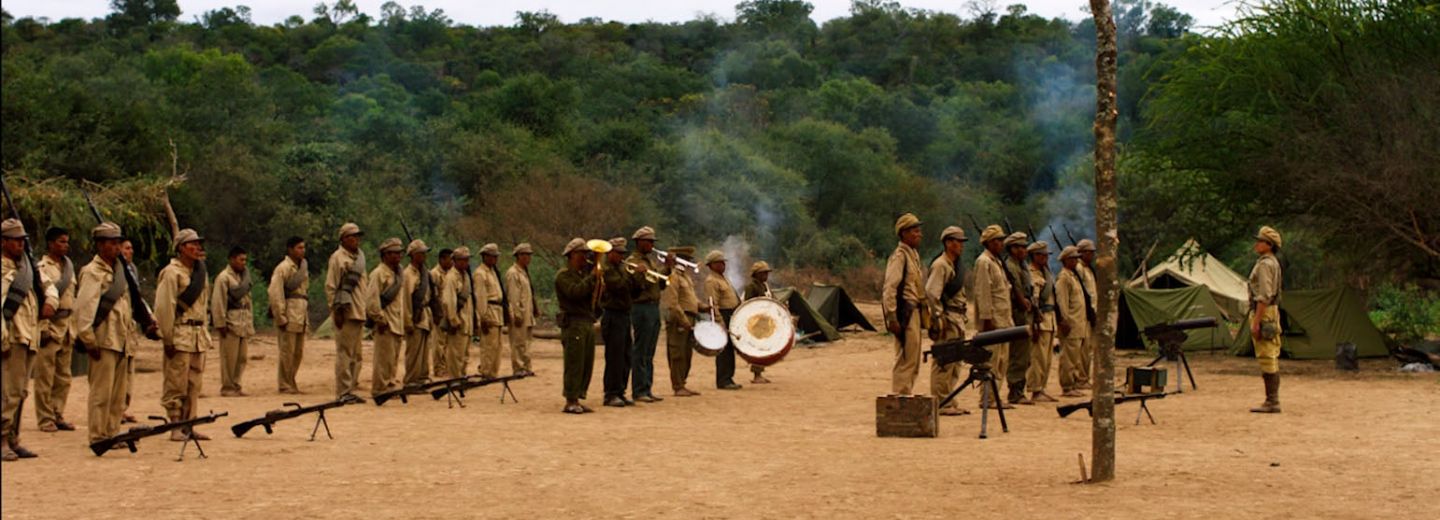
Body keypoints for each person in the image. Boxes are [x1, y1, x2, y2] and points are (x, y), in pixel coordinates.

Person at [74, 223, 136, 449]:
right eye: (112, 243)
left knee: (118, 394)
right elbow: (83, 311)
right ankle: (99, 436)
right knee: (101, 393)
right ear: (100, 245)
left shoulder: (120, 270)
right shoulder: (92, 272)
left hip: (121, 338)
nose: (117, 247)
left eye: (118, 242)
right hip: (103, 339)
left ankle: (112, 433)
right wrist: (89, 341)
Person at [2, 218, 56, 461]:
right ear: (3, 242)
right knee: (8, 393)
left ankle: (13, 438)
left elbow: (50, 287)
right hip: (10, 338)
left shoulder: (28, 267)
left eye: (22, 241)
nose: (20, 245)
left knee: (21, 392)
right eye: (15, 240)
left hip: (29, 336)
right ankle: (2, 439)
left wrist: (50, 302)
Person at [154, 228, 214, 440]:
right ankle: (175, 425)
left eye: (199, 244)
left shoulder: (199, 272)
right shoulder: (171, 273)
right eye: (192, 244)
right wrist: (167, 338)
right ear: (181, 248)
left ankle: (190, 423)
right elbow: (164, 308)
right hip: (180, 333)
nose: (197, 248)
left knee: (194, 383)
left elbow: (204, 305)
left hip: (197, 335)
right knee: (176, 382)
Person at [882, 213, 931, 395]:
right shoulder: (900, 256)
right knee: (905, 358)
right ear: (903, 233)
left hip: (915, 312)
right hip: (905, 312)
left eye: (919, 231)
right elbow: (890, 289)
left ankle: (906, 393)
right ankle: (900, 395)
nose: (919, 234)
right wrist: (892, 317)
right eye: (915, 231)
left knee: (913, 358)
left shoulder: (913, 255)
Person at [34, 227, 77, 432]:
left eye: (66, 241)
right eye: (61, 241)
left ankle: (58, 412)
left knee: (63, 376)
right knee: (45, 376)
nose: (65, 245)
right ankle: (45, 418)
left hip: (67, 326)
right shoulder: (41, 268)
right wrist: (42, 328)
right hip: (50, 325)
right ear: (50, 243)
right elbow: (40, 301)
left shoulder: (69, 267)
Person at [924, 226, 970, 416]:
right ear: (948, 243)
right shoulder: (941, 265)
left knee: (955, 363)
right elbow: (931, 293)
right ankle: (941, 401)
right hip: (948, 319)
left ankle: (949, 399)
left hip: (957, 318)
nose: (961, 246)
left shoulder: (954, 265)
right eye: (958, 241)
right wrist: (938, 317)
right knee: (944, 362)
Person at [325, 223, 369, 400]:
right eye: (352, 236)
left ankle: (350, 388)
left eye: (357, 236)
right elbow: (331, 286)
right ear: (343, 239)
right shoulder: (337, 258)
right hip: (346, 311)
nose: (356, 239)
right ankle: (343, 391)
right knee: (344, 353)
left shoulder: (359, 258)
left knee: (356, 355)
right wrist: (336, 311)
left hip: (358, 309)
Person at [971, 224, 1013, 409]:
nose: (1000, 244)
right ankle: (987, 398)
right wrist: (986, 318)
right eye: (997, 240)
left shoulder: (997, 262)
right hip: (993, 321)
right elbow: (983, 292)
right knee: (992, 361)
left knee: (1002, 361)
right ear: (988, 242)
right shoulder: (984, 262)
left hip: (1004, 320)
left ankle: (995, 397)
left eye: (1001, 240)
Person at [555, 238, 599, 414]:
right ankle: (570, 399)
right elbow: (575, 292)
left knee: (586, 362)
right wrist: (592, 278)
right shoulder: (563, 275)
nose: (585, 258)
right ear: (573, 254)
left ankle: (578, 397)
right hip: (573, 323)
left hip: (586, 321)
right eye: (583, 254)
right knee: (574, 362)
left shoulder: (582, 275)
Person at [600, 238, 644, 407]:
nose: (621, 256)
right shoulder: (607, 270)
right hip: (613, 316)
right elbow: (618, 287)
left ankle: (620, 391)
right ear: (610, 253)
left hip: (624, 316)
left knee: (626, 356)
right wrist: (635, 273)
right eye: (618, 253)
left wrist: (638, 277)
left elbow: (634, 291)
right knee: (614, 357)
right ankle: (610, 393)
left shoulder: (622, 269)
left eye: (623, 253)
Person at [628, 227, 667, 402]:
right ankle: (639, 390)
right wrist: (639, 273)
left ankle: (647, 387)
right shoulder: (633, 261)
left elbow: (660, 284)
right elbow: (635, 287)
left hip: (653, 307)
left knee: (649, 351)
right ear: (639, 242)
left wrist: (668, 268)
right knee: (641, 350)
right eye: (649, 241)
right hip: (641, 308)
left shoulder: (649, 262)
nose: (652, 245)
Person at [1248, 226, 1284, 414]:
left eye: (1260, 241)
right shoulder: (1272, 262)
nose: (1257, 244)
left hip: (1265, 311)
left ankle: (1272, 401)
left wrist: (1256, 321)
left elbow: (1264, 295)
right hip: (1271, 311)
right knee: (1269, 353)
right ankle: (1271, 399)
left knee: (1267, 354)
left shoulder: (1265, 264)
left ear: (1268, 245)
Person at [211, 246, 255, 397]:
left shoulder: (244, 278)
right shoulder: (223, 278)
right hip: (230, 321)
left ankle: (237, 384)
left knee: (241, 357)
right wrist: (220, 323)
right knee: (229, 358)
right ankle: (228, 387)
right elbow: (218, 301)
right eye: (241, 259)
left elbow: (248, 302)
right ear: (232, 259)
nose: (244, 263)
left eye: (245, 260)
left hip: (243, 320)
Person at [267, 236, 309, 394]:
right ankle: (284, 384)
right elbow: (275, 292)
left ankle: (291, 380)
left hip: (301, 313)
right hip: (289, 313)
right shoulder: (283, 268)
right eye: (299, 248)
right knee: (287, 351)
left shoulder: (303, 267)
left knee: (298, 353)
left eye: (303, 248)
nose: (302, 251)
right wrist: (280, 316)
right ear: (290, 249)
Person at [367, 238, 407, 394]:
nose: (398, 256)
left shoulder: (398, 274)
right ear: (385, 255)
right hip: (386, 322)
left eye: (399, 253)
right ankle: (379, 388)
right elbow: (372, 300)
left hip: (397, 322)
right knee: (383, 359)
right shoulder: (378, 274)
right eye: (394, 253)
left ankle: (390, 385)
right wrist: (380, 319)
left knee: (392, 359)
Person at [660, 246, 700, 397]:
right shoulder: (674, 276)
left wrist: (703, 306)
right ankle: (677, 386)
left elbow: (691, 299)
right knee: (677, 353)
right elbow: (673, 303)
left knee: (686, 353)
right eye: (688, 260)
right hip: (679, 320)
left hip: (689, 318)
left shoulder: (686, 277)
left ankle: (682, 383)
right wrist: (683, 320)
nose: (690, 263)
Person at [700, 250, 742, 390]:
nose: (722, 265)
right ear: (711, 265)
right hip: (722, 314)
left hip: (731, 314)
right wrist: (720, 322)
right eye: (719, 263)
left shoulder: (723, 278)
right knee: (724, 349)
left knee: (730, 348)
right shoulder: (711, 281)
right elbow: (713, 304)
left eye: (723, 262)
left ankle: (728, 377)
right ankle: (723, 380)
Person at [1002, 232, 1035, 405]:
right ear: (1012, 249)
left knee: (1025, 355)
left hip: (1025, 312)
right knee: (1018, 354)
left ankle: (1019, 389)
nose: (1024, 250)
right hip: (1016, 313)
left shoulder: (1022, 266)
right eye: (1020, 247)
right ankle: (1015, 391)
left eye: (1024, 247)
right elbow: (1014, 289)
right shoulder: (1011, 266)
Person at [1025, 241, 1059, 403]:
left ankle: (1041, 388)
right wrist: (1035, 325)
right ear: (1035, 256)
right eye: (1042, 255)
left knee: (1046, 359)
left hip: (1049, 320)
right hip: (1040, 321)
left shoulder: (1046, 273)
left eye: (1046, 255)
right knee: (1037, 358)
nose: (1046, 258)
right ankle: (1035, 389)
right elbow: (1034, 302)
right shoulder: (1032, 274)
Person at [1055, 246, 1091, 398]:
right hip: (1071, 324)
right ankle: (1067, 386)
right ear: (1066, 260)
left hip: (1079, 324)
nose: (1076, 261)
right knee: (1068, 358)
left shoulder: (1073, 276)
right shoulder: (1064, 278)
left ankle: (1074, 383)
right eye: (1073, 258)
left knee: (1075, 357)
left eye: (1077, 258)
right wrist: (1064, 321)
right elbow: (1062, 301)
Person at [402, 239, 433, 385]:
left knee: (424, 350)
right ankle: (411, 380)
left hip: (425, 314)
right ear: (413, 255)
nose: (424, 256)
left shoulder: (423, 272)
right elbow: (406, 300)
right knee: (414, 351)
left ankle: (422, 376)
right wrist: (408, 321)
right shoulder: (408, 274)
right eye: (421, 253)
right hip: (415, 315)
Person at [504, 243, 539, 377]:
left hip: (527, 313)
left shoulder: (524, 272)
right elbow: (513, 296)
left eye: (529, 255)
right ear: (518, 256)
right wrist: (517, 314)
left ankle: (526, 367)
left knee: (526, 343)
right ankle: (518, 368)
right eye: (525, 255)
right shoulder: (513, 273)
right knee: (518, 343)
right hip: (519, 314)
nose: (528, 258)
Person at [473, 243, 506, 379]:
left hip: (497, 310)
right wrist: (483, 317)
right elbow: (480, 297)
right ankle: (486, 371)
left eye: (496, 257)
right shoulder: (480, 274)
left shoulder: (493, 272)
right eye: (492, 256)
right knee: (489, 345)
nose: (495, 259)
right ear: (485, 257)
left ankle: (493, 372)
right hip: (489, 310)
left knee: (497, 345)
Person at [441, 247, 474, 378]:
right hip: (458, 322)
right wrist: (453, 320)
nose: (465, 263)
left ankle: (461, 376)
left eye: (467, 260)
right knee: (455, 354)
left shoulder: (465, 276)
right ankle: (455, 378)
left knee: (464, 354)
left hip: (466, 321)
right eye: (462, 260)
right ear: (454, 261)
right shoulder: (451, 277)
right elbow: (448, 302)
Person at [741, 260, 774, 384]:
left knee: (764, 348)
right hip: (756, 322)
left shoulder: (765, 286)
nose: (766, 276)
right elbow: (749, 304)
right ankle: (756, 374)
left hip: (765, 321)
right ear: (756, 274)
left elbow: (772, 300)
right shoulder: (751, 287)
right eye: (763, 273)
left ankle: (760, 372)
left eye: (767, 273)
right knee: (758, 348)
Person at [1075, 238, 1098, 389]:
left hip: (1091, 313)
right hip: (1082, 315)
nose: (1092, 255)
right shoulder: (1079, 269)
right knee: (1081, 351)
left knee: (1088, 350)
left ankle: (1084, 378)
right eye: (1089, 252)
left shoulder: (1089, 270)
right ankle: (1079, 379)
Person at [429, 249, 454, 379]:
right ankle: (439, 368)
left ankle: (447, 367)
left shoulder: (451, 274)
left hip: (449, 312)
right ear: (442, 259)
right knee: (438, 342)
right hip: (439, 312)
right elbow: (433, 296)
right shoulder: (434, 274)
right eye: (450, 259)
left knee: (448, 342)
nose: (452, 262)